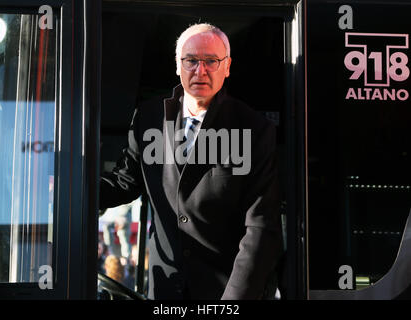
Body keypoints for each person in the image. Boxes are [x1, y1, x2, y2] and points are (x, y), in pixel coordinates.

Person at [100, 23, 283, 300]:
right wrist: (66, 187)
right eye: (191, 60)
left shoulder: (254, 129)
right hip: (164, 291)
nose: (201, 70)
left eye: (211, 61)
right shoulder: (149, 118)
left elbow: (261, 228)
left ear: (227, 66)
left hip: (224, 293)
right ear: (177, 65)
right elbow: (125, 182)